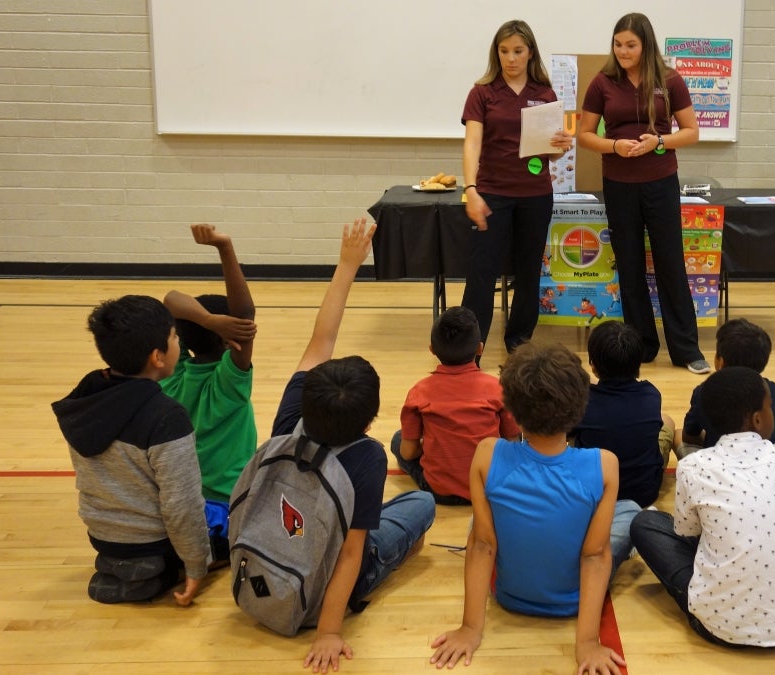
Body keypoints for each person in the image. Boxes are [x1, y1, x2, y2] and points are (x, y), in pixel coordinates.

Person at [267, 219, 435, 673]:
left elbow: (321, 338)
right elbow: (351, 551)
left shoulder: (290, 415)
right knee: (421, 504)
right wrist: (328, 631)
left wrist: (347, 265)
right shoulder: (366, 456)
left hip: (276, 554)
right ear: (371, 418)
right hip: (324, 586)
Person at [430, 342, 638, 674]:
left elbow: (483, 545)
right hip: (574, 601)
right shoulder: (604, 464)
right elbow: (595, 556)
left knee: (478, 526)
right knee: (630, 511)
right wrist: (587, 642)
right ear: (580, 405)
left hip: (509, 597)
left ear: (510, 409)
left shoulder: (487, 453)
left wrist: (470, 629)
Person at [629, 366, 775, 648]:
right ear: (758, 419)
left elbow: (687, 531)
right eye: (770, 408)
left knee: (644, 523)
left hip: (714, 624)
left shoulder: (693, 465)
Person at [52, 295, 210, 605]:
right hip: (151, 541)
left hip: (101, 534)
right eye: (175, 337)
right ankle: (155, 573)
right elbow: (182, 504)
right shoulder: (166, 417)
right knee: (228, 530)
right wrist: (196, 565)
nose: (179, 342)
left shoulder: (84, 397)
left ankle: (121, 565)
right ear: (158, 357)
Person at [579, 12, 710, 375]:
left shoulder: (669, 81)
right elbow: (585, 135)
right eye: (618, 44)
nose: (623, 51)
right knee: (631, 266)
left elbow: (692, 132)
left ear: (646, 45)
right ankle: (642, 346)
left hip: (660, 181)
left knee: (670, 263)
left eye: (630, 45)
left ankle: (686, 349)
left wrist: (659, 142)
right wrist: (614, 145)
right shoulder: (602, 82)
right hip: (619, 185)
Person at [460, 19, 573, 354]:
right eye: (504, 51)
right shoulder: (482, 92)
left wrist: (561, 145)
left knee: (528, 272)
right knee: (482, 273)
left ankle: (518, 341)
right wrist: (470, 189)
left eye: (518, 51)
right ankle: (471, 347)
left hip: (535, 195)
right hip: (492, 193)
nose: (511, 58)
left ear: (530, 53)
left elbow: (550, 155)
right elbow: (472, 144)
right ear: (497, 53)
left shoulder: (545, 94)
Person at [161, 224, 258, 561]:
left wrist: (206, 319)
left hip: (185, 501)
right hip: (233, 501)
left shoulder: (171, 378)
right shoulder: (229, 383)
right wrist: (224, 247)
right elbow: (245, 315)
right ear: (229, 341)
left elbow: (170, 299)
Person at [390, 306, 520, 505]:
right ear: (480, 348)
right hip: (487, 487)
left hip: (439, 490)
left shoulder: (419, 392)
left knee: (398, 439)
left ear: (432, 350)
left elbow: (408, 452)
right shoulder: (497, 388)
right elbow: (512, 442)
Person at [570, 320, 674, 508]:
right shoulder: (651, 394)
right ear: (638, 363)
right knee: (667, 420)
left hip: (594, 494)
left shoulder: (582, 400)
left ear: (592, 365)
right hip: (644, 493)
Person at [679, 318, 775, 457]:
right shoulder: (773, 390)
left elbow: (689, 436)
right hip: (771, 463)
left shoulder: (704, 391)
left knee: (677, 436)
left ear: (720, 362)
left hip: (720, 464)